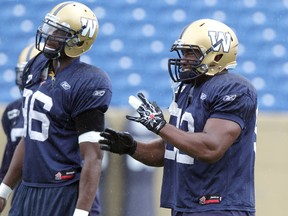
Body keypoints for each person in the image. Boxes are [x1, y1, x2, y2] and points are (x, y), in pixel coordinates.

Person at [99, 18, 257, 216]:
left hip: (219, 206)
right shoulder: (187, 89)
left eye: (192, 53)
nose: (184, 59)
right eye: (183, 52)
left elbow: (211, 148)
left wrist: (160, 126)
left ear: (217, 56)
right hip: (186, 205)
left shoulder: (235, 89)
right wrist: (132, 147)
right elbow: (174, 149)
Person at [0, 1, 112, 216]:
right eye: (50, 28)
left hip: (63, 189)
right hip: (28, 188)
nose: (49, 35)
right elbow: (30, 136)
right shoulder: (36, 66)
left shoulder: (88, 82)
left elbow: (93, 156)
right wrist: (4, 190)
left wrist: (81, 212)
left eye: (59, 31)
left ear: (78, 40)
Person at [0, 43, 40, 184]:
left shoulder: (68, 107)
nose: (28, 81)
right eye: (25, 75)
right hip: (24, 189)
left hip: (60, 189)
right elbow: (9, 163)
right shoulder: (13, 111)